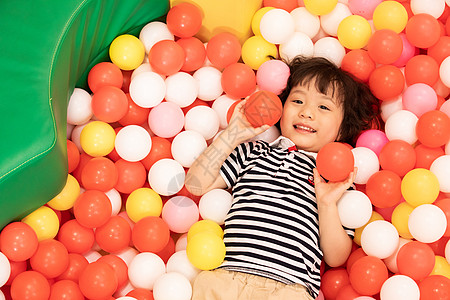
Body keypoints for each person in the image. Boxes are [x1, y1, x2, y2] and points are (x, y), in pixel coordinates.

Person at [185, 56, 380, 300]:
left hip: (289, 290)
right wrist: (232, 134)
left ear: (342, 129)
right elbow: (196, 184)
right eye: (297, 101)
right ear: (281, 108)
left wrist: (326, 204)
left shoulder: (337, 182)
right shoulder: (253, 152)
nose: (307, 112)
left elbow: (336, 256)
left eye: (323, 107)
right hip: (226, 279)